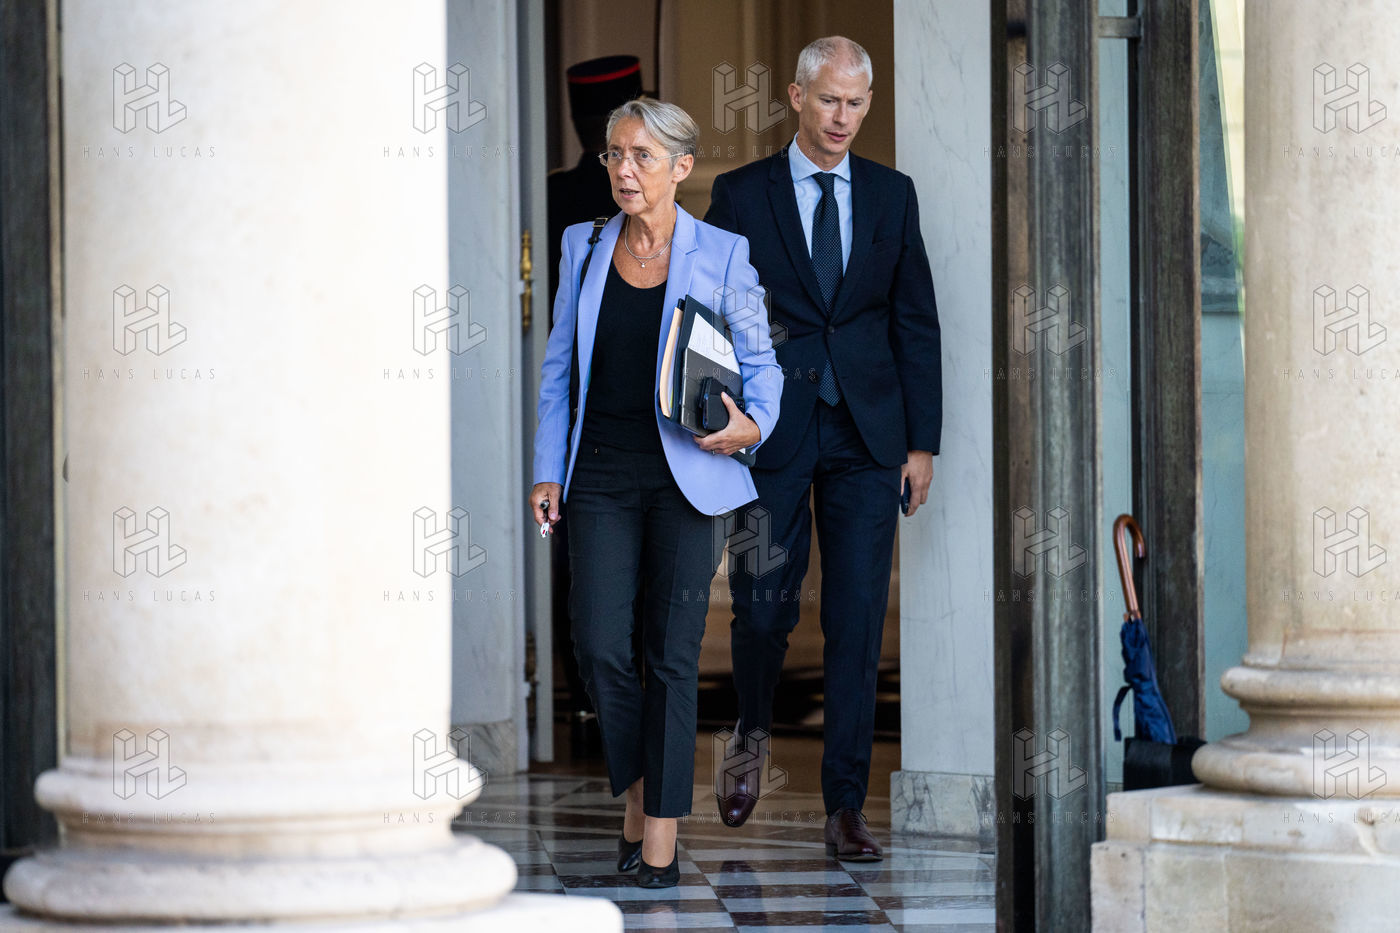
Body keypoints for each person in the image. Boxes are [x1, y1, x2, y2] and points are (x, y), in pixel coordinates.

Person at [530, 98, 782, 887]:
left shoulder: (724, 253)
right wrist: (547, 467)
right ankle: (641, 789)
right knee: (599, 645)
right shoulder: (583, 244)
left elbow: (762, 364)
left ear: (681, 167)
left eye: (642, 155)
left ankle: (660, 841)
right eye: (615, 154)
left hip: (688, 474)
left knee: (671, 655)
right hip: (600, 472)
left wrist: (752, 426)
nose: (624, 169)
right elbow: (559, 367)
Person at [704, 36, 942, 861]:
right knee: (763, 605)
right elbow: (710, 318)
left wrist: (921, 443)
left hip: (868, 434)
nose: (843, 117)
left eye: (856, 103)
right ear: (798, 97)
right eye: (830, 100)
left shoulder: (892, 195)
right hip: (769, 430)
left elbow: (914, 319)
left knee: (855, 618)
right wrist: (723, 420)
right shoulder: (741, 195)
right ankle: (750, 730)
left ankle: (845, 805)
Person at [545, 54, 644, 754]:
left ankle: (598, 705)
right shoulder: (562, 209)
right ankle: (597, 699)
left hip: (638, 416)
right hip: (589, 413)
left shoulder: (679, 220)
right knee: (586, 570)